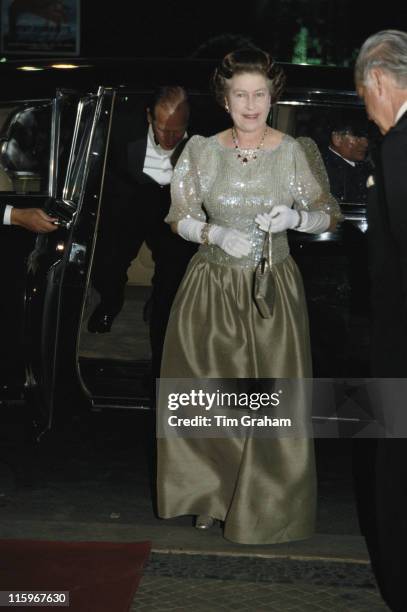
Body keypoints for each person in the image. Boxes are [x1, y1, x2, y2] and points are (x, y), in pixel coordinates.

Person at [157, 48, 342, 544]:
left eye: (260, 94)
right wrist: (213, 235)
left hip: (272, 289)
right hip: (210, 287)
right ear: (225, 99)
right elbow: (179, 216)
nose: (251, 104)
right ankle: (213, 496)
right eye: (241, 94)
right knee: (211, 398)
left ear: (272, 96)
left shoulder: (293, 152)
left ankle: (265, 501)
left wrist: (297, 219)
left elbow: (329, 212)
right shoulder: (201, 150)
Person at [87, 86, 197, 380]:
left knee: (173, 277)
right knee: (106, 264)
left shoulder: (204, 139)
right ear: (149, 117)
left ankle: (159, 323)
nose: (170, 139)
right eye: (163, 129)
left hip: (176, 207)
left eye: (178, 131)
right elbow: (97, 171)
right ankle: (111, 301)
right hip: (130, 198)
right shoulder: (120, 130)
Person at [354, 29, 407, 612]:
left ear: (378, 81)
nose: (366, 109)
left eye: (363, 94)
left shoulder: (398, 146)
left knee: (394, 468)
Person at [322, 115, 370, 204]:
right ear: (337, 139)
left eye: (367, 137)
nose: (365, 144)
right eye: (357, 137)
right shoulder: (323, 170)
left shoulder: (363, 166)